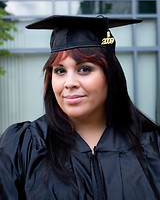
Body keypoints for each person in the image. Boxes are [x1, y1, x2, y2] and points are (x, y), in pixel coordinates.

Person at [0, 15, 160, 200]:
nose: (69, 83)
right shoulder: (23, 147)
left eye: (84, 69)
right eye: (59, 71)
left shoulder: (152, 147)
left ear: (110, 76)